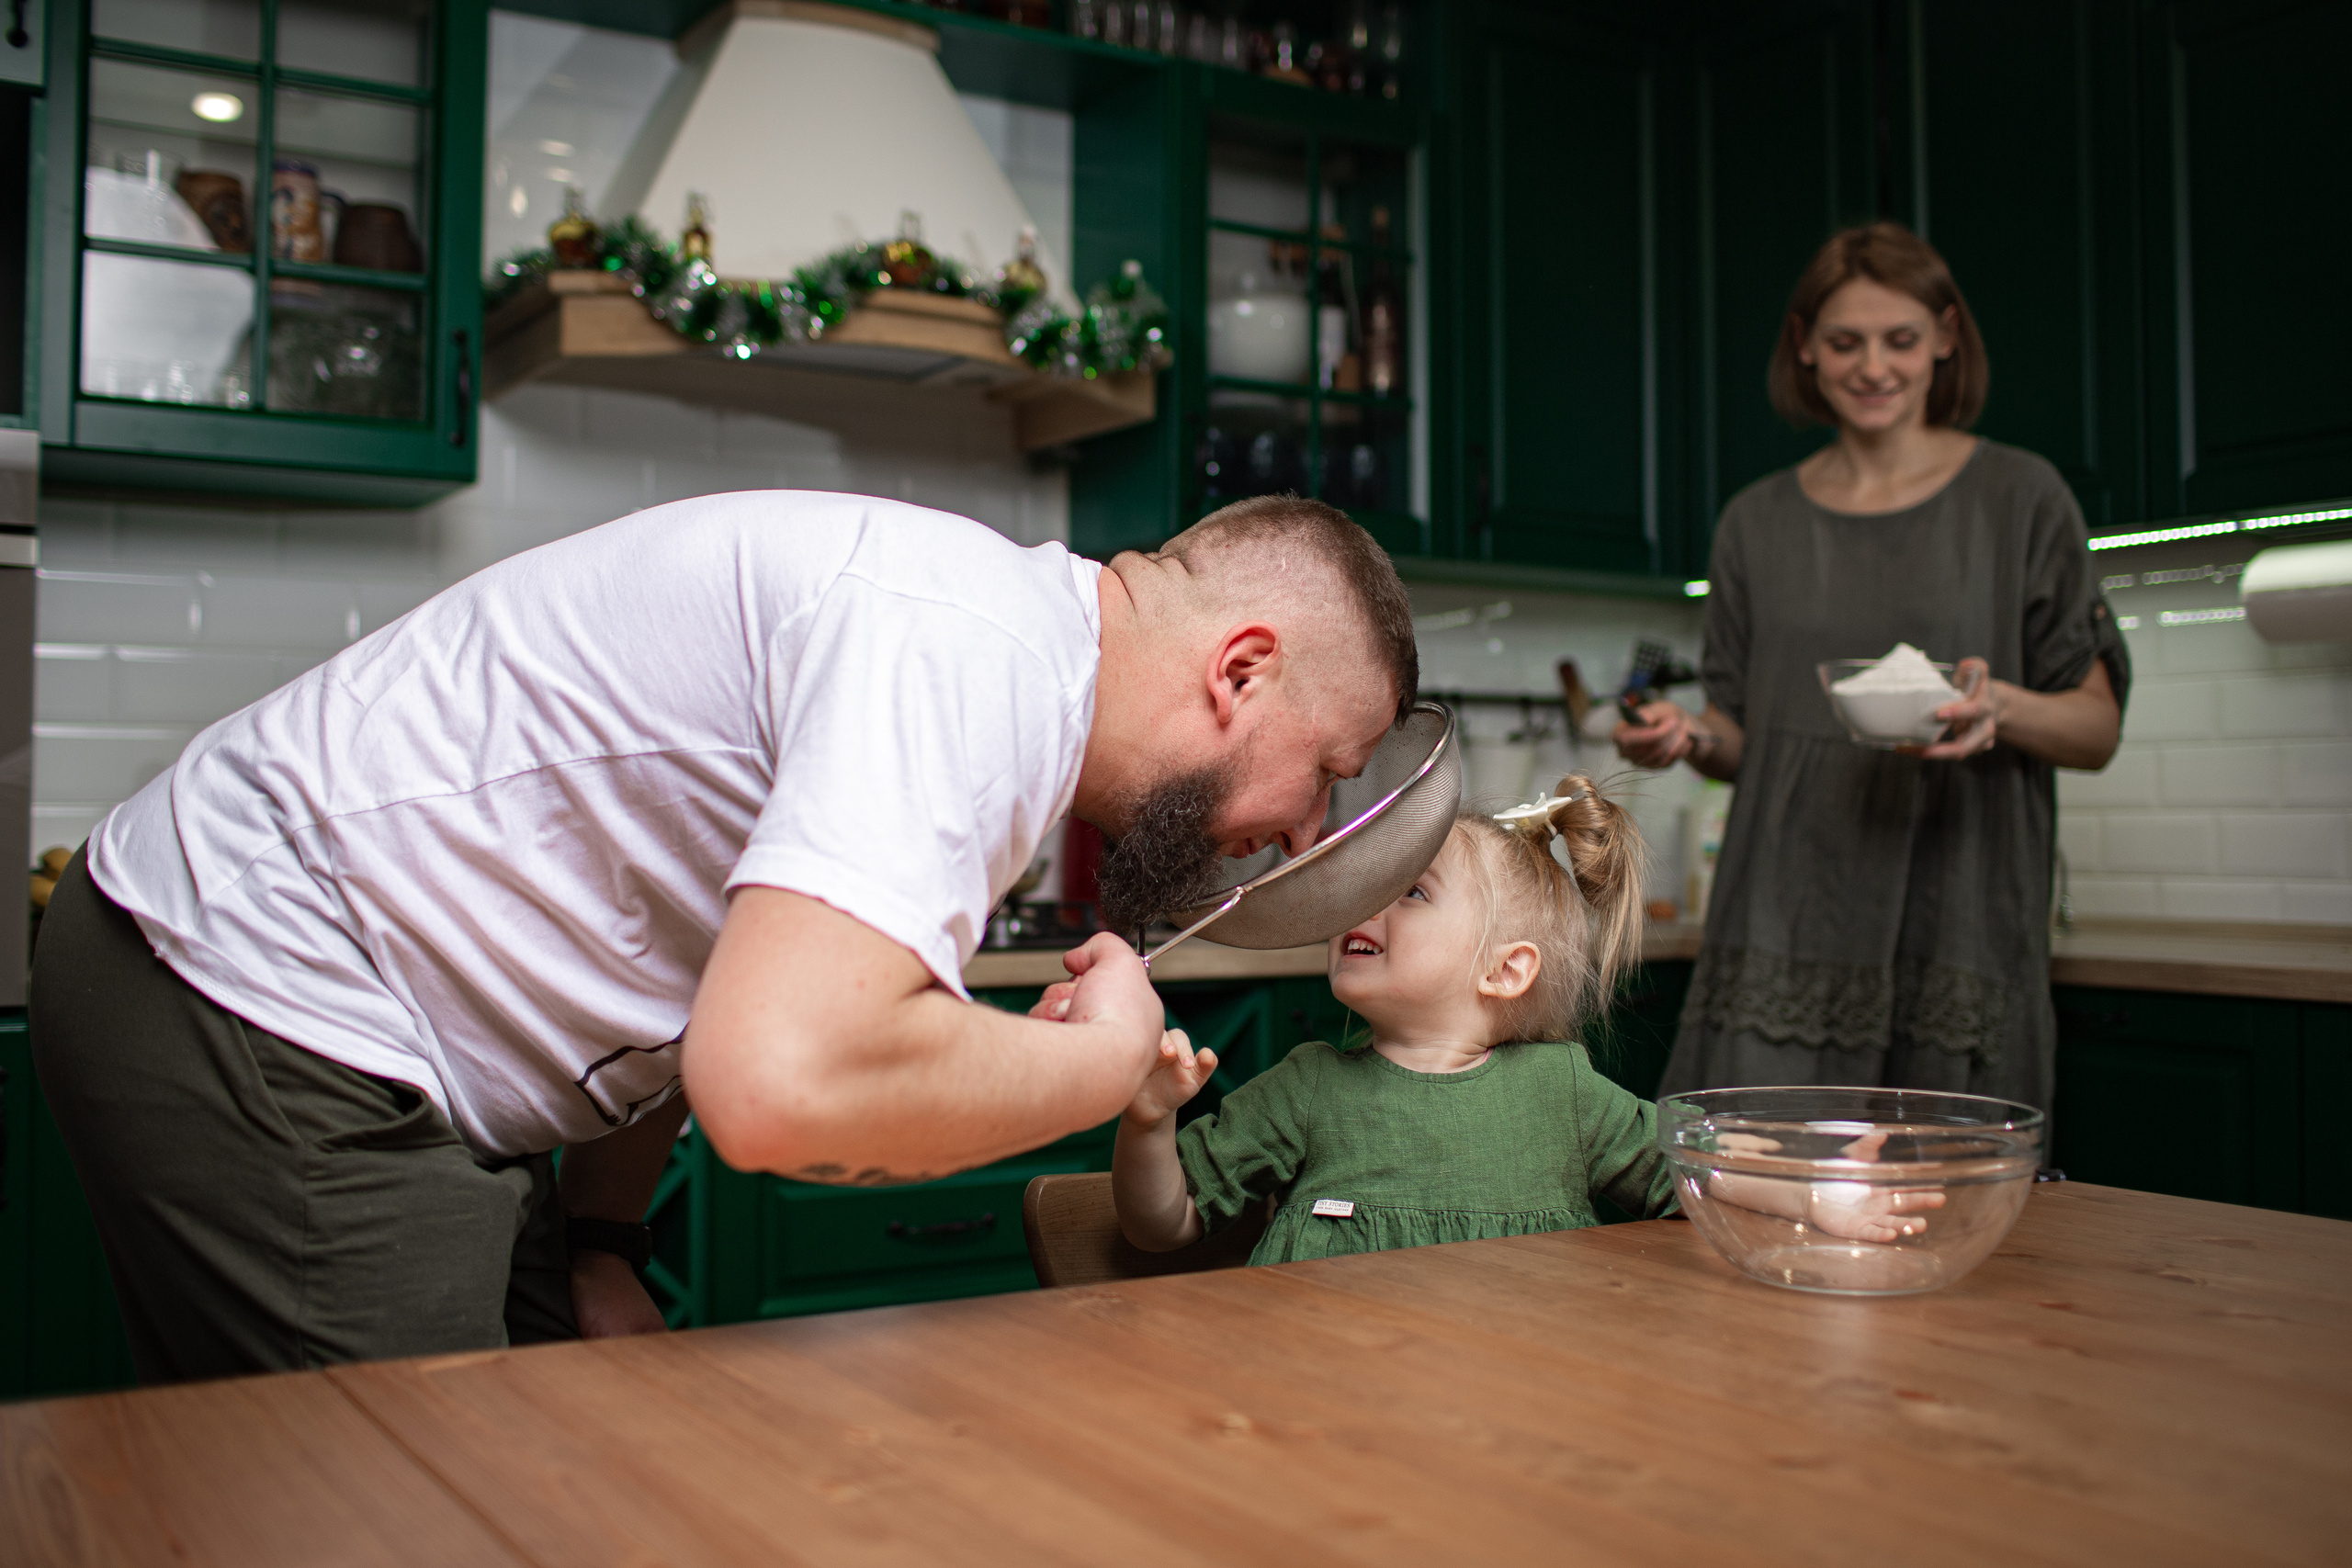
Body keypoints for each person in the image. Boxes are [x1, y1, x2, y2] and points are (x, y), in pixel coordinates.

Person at [28, 490, 1417, 1383]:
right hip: (264, 988)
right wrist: (1107, 1066)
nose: (1306, 834)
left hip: (370, 1034)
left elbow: (688, 962)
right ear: (1239, 669)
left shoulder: (1006, 663)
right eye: (1327, 771)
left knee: (554, 1474)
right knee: (413, 1508)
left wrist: (606, 1237)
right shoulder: (973, 659)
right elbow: (782, 1080)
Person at [1615, 222, 2129, 1114]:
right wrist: (1687, 735)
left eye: (1899, 340)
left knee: (1951, 1214)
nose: (1873, 367)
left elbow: (2096, 728)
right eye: (1845, 342)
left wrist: (1996, 708)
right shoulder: (1753, 523)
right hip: (1783, 914)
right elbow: (1742, 737)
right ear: (1805, 347)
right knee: (1740, 1195)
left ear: (1944, 338)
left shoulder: (2022, 499)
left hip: (1963, 911)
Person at [1091, 778, 1943, 1266]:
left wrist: (1815, 1192)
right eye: (1371, 883)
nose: (1368, 900)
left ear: (1506, 970)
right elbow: (1159, 1224)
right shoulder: (1307, 1087)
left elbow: (1699, 1170)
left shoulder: (1562, 1091)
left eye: (1411, 891)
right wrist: (1149, 1119)